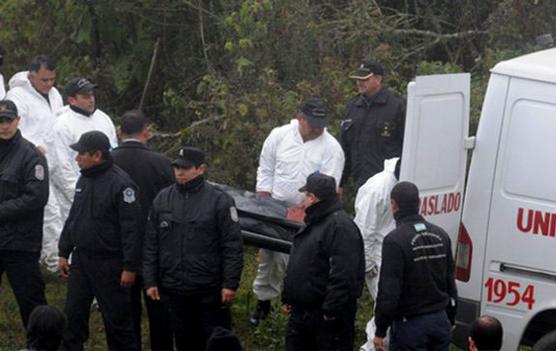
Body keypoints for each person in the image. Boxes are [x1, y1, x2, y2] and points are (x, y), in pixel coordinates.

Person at [251, 97, 345, 325]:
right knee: (269, 257)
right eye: (312, 123)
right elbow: (267, 167)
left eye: (320, 124)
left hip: (309, 214)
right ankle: (263, 301)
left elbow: (329, 183)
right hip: (275, 207)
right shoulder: (279, 135)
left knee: (300, 261)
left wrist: (308, 208)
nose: (317, 128)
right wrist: (263, 198)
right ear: (300, 118)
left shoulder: (332, 147)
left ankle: (296, 304)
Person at [143, 146, 244, 351]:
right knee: (184, 341)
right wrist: (150, 280)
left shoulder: (220, 201)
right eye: (177, 167)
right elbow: (151, 243)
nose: (179, 172)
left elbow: (232, 245)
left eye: (186, 168)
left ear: (201, 169)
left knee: (215, 341)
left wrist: (230, 283)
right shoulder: (162, 199)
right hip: (174, 288)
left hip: (209, 289)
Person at [58, 130, 142, 350]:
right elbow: (74, 217)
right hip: (82, 260)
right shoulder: (83, 180)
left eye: (81, 154)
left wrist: (130, 266)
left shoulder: (122, 184)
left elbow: (132, 230)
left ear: (97, 155)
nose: (77, 159)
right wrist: (63, 251)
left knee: (118, 322)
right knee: (73, 317)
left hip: (110, 264)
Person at [112, 110, 174, 350]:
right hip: (156, 248)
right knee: (160, 311)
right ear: (146, 133)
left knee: (126, 313)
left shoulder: (108, 162)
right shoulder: (163, 164)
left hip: (119, 247)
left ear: (120, 132)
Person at [282, 173, 365, 351]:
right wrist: (291, 297)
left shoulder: (340, 227)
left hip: (326, 323)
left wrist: (330, 312)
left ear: (313, 198)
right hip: (302, 315)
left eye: (306, 194)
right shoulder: (314, 222)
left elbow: (344, 274)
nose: (302, 199)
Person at [43, 77, 118, 272]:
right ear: (72, 100)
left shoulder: (103, 118)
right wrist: (78, 193)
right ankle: (74, 273)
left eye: (92, 95)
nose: (91, 99)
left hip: (106, 188)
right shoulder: (62, 125)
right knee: (78, 235)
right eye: (85, 96)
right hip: (76, 192)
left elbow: (114, 153)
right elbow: (61, 166)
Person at [373, 181, 457, 351]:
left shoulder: (394, 241)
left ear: (393, 205)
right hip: (440, 320)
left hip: (410, 326)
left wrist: (380, 329)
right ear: (419, 203)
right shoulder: (441, 235)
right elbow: (450, 282)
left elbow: (389, 291)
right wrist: (451, 317)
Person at [6, 54, 64, 272]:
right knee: (50, 213)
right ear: (31, 77)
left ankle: (60, 255)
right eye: (44, 80)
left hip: (57, 159)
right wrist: (33, 148)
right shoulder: (18, 96)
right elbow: (14, 128)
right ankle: (53, 263)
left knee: (62, 207)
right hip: (32, 161)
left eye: (52, 79)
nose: (49, 84)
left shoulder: (55, 94)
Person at [0, 100, 49, 329]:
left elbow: (36, 198)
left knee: (31, 304)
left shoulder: (31, 155)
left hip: (20, 244)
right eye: (0, 121)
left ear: (18, 121)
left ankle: (40, 344)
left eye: (8, 120)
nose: (3, 125)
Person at [354, 157, 399, 351]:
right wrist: (368, 263)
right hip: (378, 255)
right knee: (385, 306)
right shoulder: (379, 187)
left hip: (393, 252)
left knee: (390, 305)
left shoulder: (401, 180)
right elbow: (364, 228)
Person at [340, 60, 406, 191]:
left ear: (378, 79)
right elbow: (345, 147)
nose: (359, 83)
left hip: (388, 183)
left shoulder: (397, 106)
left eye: (364, 79)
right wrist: (341, 182)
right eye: (358, 79)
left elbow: (407, 146)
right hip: (360, 183)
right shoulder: (353, 107)